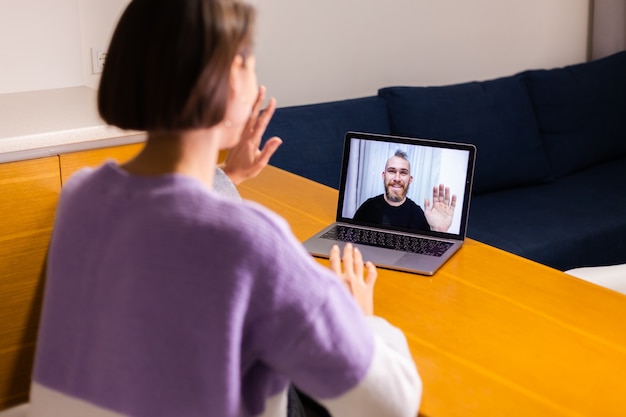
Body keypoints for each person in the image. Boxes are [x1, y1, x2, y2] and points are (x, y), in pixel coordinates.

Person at [25, 1, 421, 417]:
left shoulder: (81, 196)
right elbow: (391, 404)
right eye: (251, 65)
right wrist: (361, 321)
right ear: (231, 78)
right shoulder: (253, 242)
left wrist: (226, 175)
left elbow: (172, 231)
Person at [354, 149, 457, 232]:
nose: (397, 178)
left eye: (403, 173)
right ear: (383, 176)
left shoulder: (418, 214)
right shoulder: (367, 207)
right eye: (392, 171)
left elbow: (427, 255)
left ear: (410, 179)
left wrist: (438, 231)